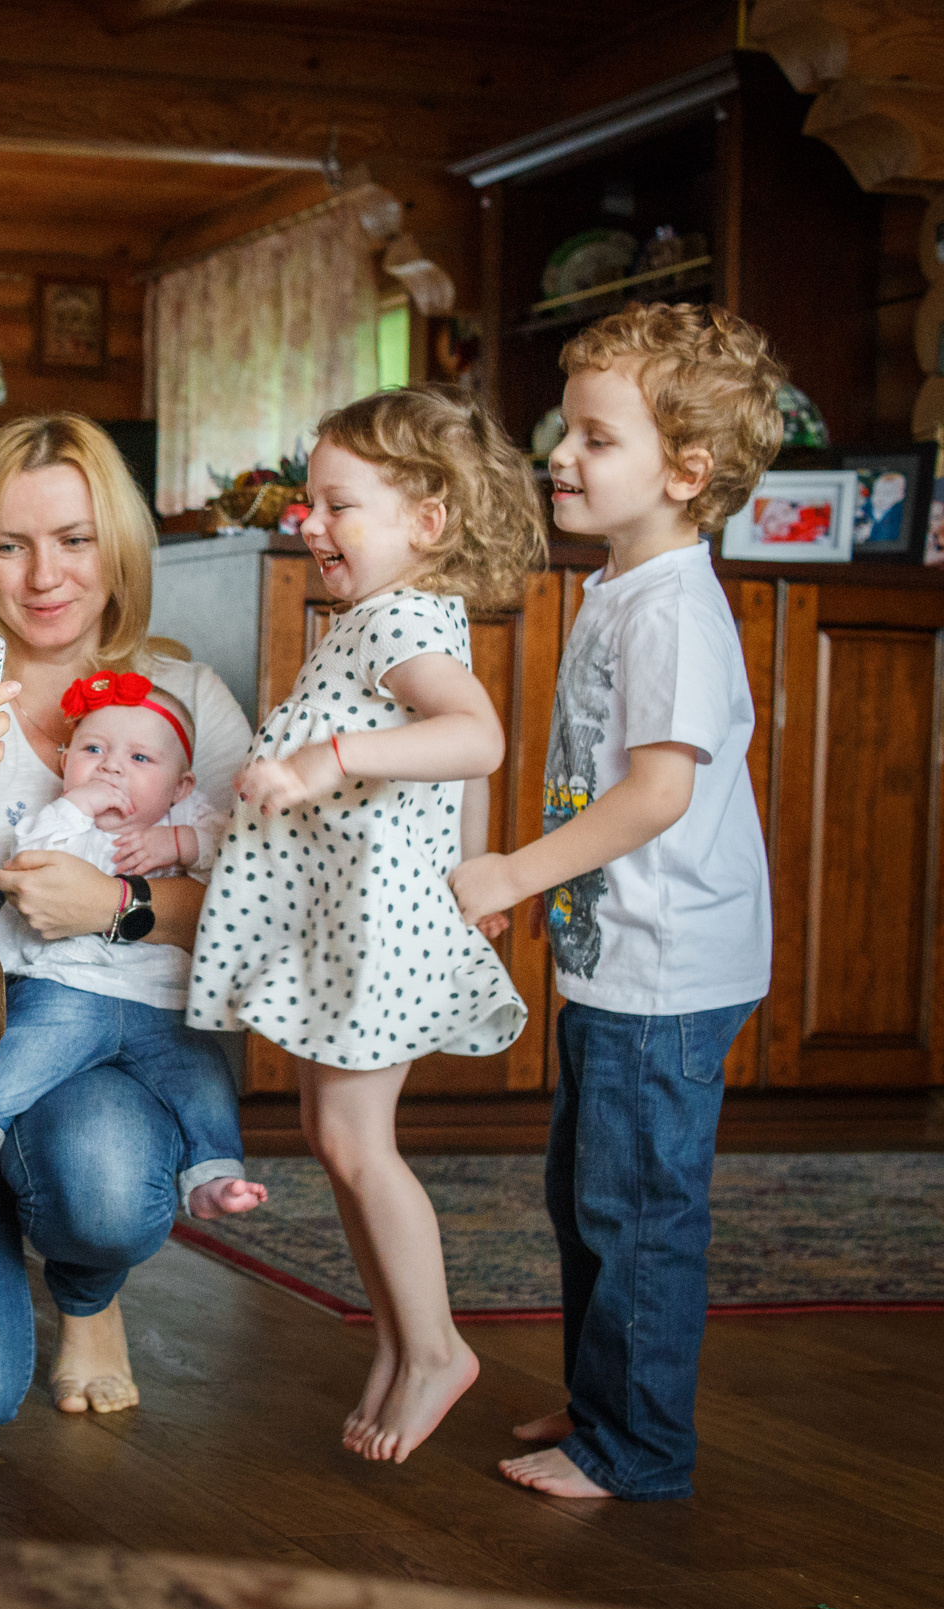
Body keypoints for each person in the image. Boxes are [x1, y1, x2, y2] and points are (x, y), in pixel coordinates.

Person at [0, 414, 252, 1436]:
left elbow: (264, 899)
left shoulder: (189, 696)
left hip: (112, 1051)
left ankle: (85, 1288)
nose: (43, 577)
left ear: (115, 540)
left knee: (108, 1193)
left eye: (72, 538)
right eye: (9, 543)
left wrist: (117, 906)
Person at [451, 304, 782, 1501]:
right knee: (584, 1187)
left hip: (667, 963)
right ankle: (606, 1397)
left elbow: (650, 796)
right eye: (563, 428)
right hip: (620, 950)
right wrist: (548, 886)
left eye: (595, 437)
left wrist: (515, 871)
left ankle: (637, 1445)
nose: (560, 453)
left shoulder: (673, 610)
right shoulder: (617, 584)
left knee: (635, 1206)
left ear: (686, 472)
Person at [187, 384, 540, 1465]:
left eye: (338, 503)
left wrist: (322, 761)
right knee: (336, 1141)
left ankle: (434, 1346)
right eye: (310, 501)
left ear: (423, 521)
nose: (310, 522)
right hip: (355, 919)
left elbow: (472, 736)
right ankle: (398, 1340)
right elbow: (449, 771)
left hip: (377, 927)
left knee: (351, 1139)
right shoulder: (377, 620)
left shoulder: (399, 621)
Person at [0, 672, 263, 1234]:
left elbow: (236, 860)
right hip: (67, 992)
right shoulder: (63, 821)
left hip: (163, 1005)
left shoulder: (188, 820)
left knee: (204, 1080)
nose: (111, 767)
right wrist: (78, 806)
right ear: (65, 764)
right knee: (17, 1057)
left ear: (181, 789)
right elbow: (30, 857)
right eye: (93, 750)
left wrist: (178, 843)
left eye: (139, 758)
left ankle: (212, 1174)